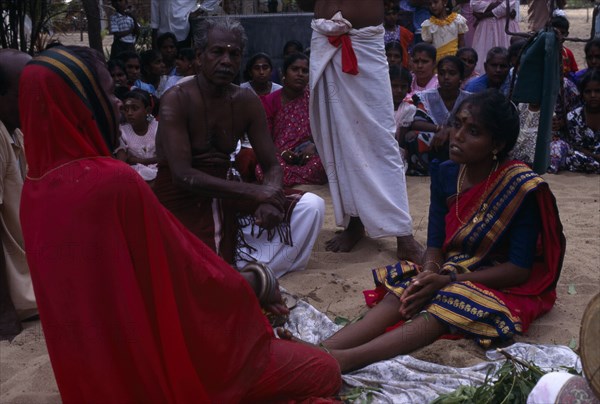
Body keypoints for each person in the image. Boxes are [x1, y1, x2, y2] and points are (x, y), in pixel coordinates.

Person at [19, 44, 341, 403]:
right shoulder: (113, 180)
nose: (117, 104)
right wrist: (257, 281)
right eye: (109, 93)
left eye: (234, 54)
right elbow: (185, 278)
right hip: (157, 365)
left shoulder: (33, 192)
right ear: (80, 104)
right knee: (324, 372)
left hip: (95, 379)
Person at [315, 90, 565, 373]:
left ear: (496, 144)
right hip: (451, 268)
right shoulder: (446, 173)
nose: (457, 136)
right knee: (405, 289)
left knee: (450, 303)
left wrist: (447, 280)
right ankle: (321, 350)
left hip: (500, 280)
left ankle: (346, 361)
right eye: (457, 124)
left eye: (473, 131)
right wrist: (428, 275)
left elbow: (519, 269)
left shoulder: (520, 187)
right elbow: (434, 244)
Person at [154, 17, 325, 278]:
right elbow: (183, 174)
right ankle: (243, 278)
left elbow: (271, 164)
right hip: (183, 198)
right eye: (218, 52)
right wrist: (256, 193)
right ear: (199, 56)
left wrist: (272, 197)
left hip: (229, 193)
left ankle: (255, 276)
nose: (226, 60)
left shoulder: (246, 100)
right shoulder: (176, 100)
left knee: (311, 206)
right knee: (203, 263)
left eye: (234, 54)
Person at [297, 0, 423, 261]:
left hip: (364, 43)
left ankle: (403, 234)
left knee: (380, 138)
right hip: (323, 36)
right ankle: (355, 221)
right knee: (337, 136)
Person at [0, 49, 37, 339]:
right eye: (23, 92)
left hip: (29, 284)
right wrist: (4, 312)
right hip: (16, 297)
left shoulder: (16, 130)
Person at [257, 53, 327, 187]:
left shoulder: (314, 100)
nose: (300, 74)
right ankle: (292, 179)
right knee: (262, 169)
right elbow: (264, 139)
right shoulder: (269, 101)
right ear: (284, 72)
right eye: (295, 69)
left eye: (305, 71)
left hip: (308, 155)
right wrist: (282, 152)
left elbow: (325, 130)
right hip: (278, 154)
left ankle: (282, 181)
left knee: (322, 164)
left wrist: (313, 146)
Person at [404, 56, 471, 175]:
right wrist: (440, 129)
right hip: (435, 138)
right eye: (442, 73)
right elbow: (416, 122)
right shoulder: (426, 97)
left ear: (461, 77)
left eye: (452, 73)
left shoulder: (470, 99)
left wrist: (450, 131)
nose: (446, 78)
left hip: (460, 136)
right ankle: (423, 171)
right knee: (412, 136)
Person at [550, 69, 600, 173]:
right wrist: (593, 156)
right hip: (583, 157)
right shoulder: (572, 117)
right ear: (582, 94)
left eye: (597, 91)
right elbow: (571, 145)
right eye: (588, 92)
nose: (593, 95)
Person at [115, 89, 159, 181]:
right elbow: (121, 163)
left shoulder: (158, 128)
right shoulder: (122, 131)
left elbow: (166, 158)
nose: (129, 113)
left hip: (160, 173)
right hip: (136, 176)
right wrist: (154, 160)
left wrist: (138, 161)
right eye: (126, 109)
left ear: (148, 110)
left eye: (135, 108)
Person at [471, 0, 519, 75]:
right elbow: (475, 5)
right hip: (486, 28)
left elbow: (507, 5)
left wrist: (484, 15)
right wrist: (498, 5)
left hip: (504, 27)